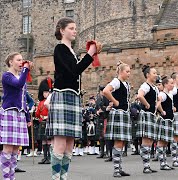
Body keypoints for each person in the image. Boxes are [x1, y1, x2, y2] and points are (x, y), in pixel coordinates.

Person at [46, 17, 98, 180]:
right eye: (71, 28)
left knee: (69, 145)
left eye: (75, 28)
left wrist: (89, 54)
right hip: (63, 95)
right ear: (62, 30)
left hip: (73, 97)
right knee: (60, 143)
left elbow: (75, 70)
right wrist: (90, 53)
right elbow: (74, 71)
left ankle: (63, 177)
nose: (75, 30)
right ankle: (56, 178)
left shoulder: (71, 51)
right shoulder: (60, 48)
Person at [0, 52, 33, 180]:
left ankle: (11, 177)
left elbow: (24, 99)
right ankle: (6, 178)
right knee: (8, 147)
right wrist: (26, 69)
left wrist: (28, 117)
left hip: (20, 114)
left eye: (22, 60)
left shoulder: (21, 78)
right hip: (9, 112)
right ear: (10, 62)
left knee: (15, 149)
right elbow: (18, 84)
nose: (21, 62)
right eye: (18, 60)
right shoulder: (6, 76)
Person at [103, 61, 131, 177]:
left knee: (121, 142)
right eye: (127, 71)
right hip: (118, 113)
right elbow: (105, 91)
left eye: (129, 71)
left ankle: (119, 168)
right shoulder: (116, 81)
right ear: (120, 72)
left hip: (123, 113)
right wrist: (115, 102)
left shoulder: (125, 84)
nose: (129, 73)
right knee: (118, 141)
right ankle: (116, 170)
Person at [136, 65, 159, 174]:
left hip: (151, 115)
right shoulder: (145, 86)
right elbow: (140, 95)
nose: (156, 75)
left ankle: (147, 165)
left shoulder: (153, 87)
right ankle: (146, 166)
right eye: (154, 73)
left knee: (150, 141)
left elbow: (158, 100)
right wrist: (147, 104)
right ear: (147, 75)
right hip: (146, 114)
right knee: (146, 141)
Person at [156, 76, 175, 170]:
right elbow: (157, 102)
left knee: (165, 142)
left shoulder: (170, 94)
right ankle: (162, 163)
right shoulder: (162, 94)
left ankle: (164, 162)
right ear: (165, 84)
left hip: (169, 120)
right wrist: (162, 111)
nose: (172, 85)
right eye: (171, 83)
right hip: (165, 120)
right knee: (161, 142)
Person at [36, 77, 53, 164]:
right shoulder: (41, 102)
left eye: (47, 92)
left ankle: (49, 157)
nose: (45, 94)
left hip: (48, 121)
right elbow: (37, 114)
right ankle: (45, 157)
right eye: (44, 92)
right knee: (43, 140)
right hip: (42, 122)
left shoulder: (51, 101)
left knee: (49, 140)